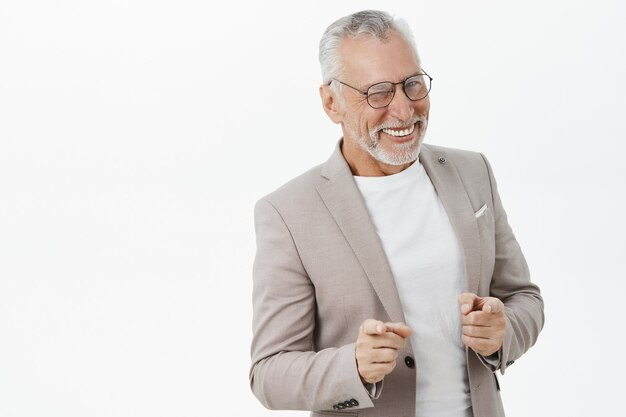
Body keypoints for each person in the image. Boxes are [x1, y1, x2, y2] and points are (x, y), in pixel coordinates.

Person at [249, 10, 544, 417]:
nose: (404, 111)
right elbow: (268, 374)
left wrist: (502, 332)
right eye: (378, 93)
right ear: (331, 103)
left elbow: (523, 298)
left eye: (412, 84)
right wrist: (352, 366)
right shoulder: (288, 213)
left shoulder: (473, 172)